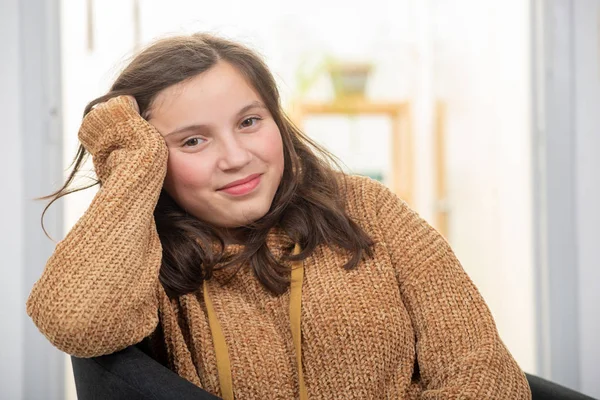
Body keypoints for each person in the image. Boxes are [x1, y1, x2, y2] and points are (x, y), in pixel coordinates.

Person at [26, 33, 531, 399]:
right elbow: (77, 325)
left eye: (250, 122)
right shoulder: (141, 259)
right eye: (193, 140)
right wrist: (132, 159)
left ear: (278, 121)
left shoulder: (369, 208)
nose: (236, 157)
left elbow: (487, 375)